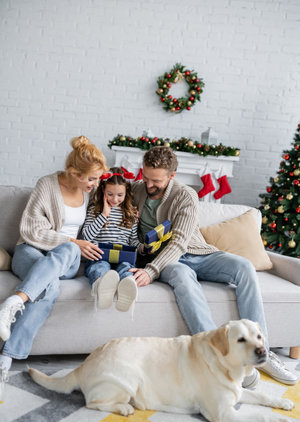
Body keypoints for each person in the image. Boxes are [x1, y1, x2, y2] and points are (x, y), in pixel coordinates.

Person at [130, 146, 298, 387]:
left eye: (156, 180)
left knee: (244, 267)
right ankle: (217, 358)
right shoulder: (135, 190)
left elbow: (179, 241)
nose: (148, 184)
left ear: (172, 176)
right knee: (183, 279)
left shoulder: (185, 195)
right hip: (169, 260)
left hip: (196, 252)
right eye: (145, 177)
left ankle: (262, 352)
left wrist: (151, 271)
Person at [0, 135, 107, 399]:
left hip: (67, 260)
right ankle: (7, 358)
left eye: (97, 179)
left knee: (70, 249)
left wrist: (76, 243)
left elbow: (85, 236)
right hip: (30, 251)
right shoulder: (47, 184)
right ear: (74, 173)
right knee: (50, 286)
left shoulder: (90, 194)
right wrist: (72, 240)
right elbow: (31, 229)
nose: (95, 185)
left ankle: (15, 301)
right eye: (91, 179)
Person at [82, 167, 141, 312]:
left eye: (120, 195)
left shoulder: (130, 213)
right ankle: (100, 285)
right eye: (110, 194)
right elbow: (87, 237)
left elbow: (133, 241)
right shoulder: (94, 211)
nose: (115, 199)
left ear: (126, 192)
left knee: (126, 268)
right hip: (99, 255)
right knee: (100, 267)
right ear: (103, 191)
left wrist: (143, 247)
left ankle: (127, 285)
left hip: (122, 257)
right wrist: (104, 214)